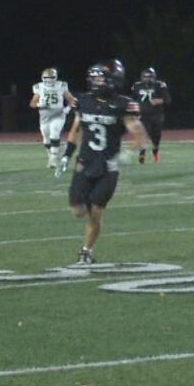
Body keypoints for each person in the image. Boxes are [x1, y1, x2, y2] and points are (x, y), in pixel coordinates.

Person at [61, 61, 149, 264]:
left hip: (108, 166)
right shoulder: (83, 101)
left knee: (96, 212)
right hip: (85, 162)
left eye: (100, 77)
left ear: (113, 80)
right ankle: (87, 246)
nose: (96, 81)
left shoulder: (123, 104)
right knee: (78, 211)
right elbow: (76, 129)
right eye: (94, 78)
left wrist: (125, 157)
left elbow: (139, 134)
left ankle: (86, 251)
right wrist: (67, 154)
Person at [30, 68, 78, 168]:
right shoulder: (39, 87)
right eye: (47, 78)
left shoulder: (61, 85)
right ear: (43, 78)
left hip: (58, 114)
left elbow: (72, 100)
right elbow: (32, 104)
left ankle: (53, 159)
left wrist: (68, 109)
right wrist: (39, 104)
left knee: (54, 133)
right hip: (44, 116)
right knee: (46, 139)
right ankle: (51, 156)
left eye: (52, 77)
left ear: (56, 77)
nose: (49, 80)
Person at [130, 67, 170, 163]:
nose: (147, 79)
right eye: (145, 77)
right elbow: (132, 101)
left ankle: (155, 151)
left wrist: (159, 100)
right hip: (143, 115)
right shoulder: (136, 86)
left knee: (156, 137)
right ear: (142, 77)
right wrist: (134, 112)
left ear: (154, 77)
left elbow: (168, 100)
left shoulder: (160, 85)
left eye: (149, 77)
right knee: (143, 134)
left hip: (157, 115)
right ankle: (142, 153)